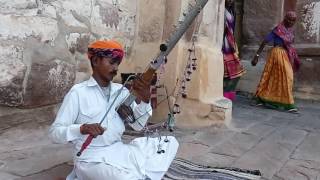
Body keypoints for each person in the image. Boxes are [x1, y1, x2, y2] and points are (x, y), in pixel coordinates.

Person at [49, 40, 179, 180]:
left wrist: (145, 101)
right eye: (112, 63)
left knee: (169, 143)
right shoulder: (78, 93)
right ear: (96, 61)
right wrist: (81, 128)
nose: (116, 68)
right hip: (91, 159)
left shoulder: (121, 91)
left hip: (119, 150)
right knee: (127, 177)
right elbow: (54, 133)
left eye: (117, 64)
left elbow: (138, 126)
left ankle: (139, 174)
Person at [251, 11, 301, 113]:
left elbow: (289, 44)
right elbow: (265, 41)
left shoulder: (290, 31)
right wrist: (256, 56)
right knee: (288, 75)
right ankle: (289, 104)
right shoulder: (278, 29)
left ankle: (262, 98)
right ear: (285, 18)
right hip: (277, 53)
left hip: (285, 54)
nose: (291, 22)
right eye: (289, 19)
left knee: (272, 78)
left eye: (293, 20)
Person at [222, 0, 245, 101]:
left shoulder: (231, 11)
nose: (231, 0)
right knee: (225, 73)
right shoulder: (222, 11)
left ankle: (228, 95)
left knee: (237, 72)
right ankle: (224, 95)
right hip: (224, 44)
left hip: (230, 43)